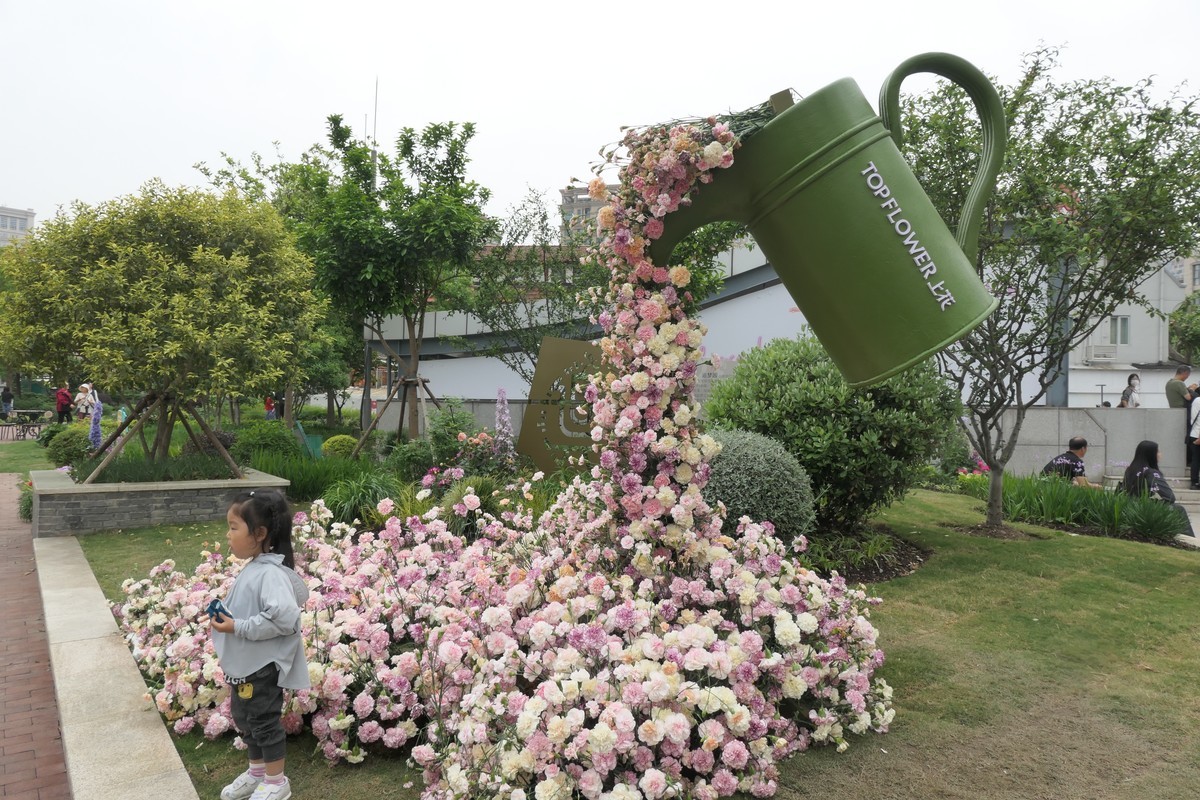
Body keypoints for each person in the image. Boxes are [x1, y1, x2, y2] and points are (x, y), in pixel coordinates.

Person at [204, 489, 309, 800]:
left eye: (234, 527)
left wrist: (238, 626)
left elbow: (285, 618)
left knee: (263, 723)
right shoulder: (255, 567)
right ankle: (258, 772)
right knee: (246, 721)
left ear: (260, 533)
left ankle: (277, 782)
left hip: (261, 669)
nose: (228, 534)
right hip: (246, 667)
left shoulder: (270, 574)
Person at [1123, 439, 1196, 537]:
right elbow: (1170, 497)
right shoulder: (1152, 473)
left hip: (1130, 508)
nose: (1160, 454)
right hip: (1143, 510)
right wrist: (1154, 502)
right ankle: (1191, 541)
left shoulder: (1130, 470)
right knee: (1178, 509)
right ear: (1151, 455)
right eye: (1158, 451)